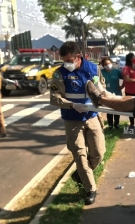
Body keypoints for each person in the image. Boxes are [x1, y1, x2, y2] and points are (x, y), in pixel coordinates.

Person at [50, 41, 106, 205]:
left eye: (69, 60)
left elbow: (101, 86)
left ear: (78, 57)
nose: (67, 64)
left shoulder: (93, 69)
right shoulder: (60, 74)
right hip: (72, 119)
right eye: (64, 60)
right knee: (80, 155)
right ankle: (90, 189)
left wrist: (101, 96)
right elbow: (54, 98)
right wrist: (73, 105)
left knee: (98, 152)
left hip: (92, 116)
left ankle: (80, 175)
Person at [101, 57, 124, 130]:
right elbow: (96, 80)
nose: (107, 65)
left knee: (117, 110)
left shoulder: (117, 71)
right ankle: (110, 125)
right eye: (105, 64)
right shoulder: (101, 72)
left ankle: (116, 124)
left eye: (108, 63)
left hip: (117, 93)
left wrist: (122, 86)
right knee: (109, 110)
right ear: (103, 65)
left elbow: (124, 78)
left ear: (111, 63)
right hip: (107, 94)